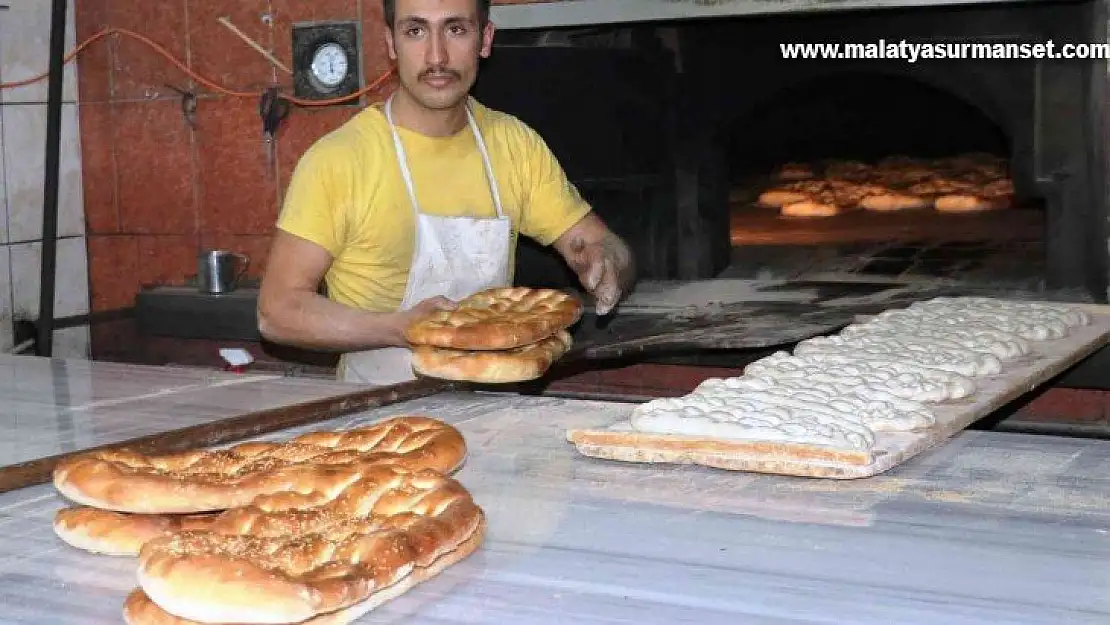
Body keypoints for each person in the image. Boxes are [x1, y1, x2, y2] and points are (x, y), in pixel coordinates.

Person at [257, 0, 636, 385]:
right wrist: (399, 328)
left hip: (494, 407)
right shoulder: (339, 160)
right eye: (416, 31)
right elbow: (277, 311)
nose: (436, 56)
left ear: (485, 40)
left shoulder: (514, 145)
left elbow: (602, 245)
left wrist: (607, 265)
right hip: (377, 420)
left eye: (456, 29)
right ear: (391, 43)